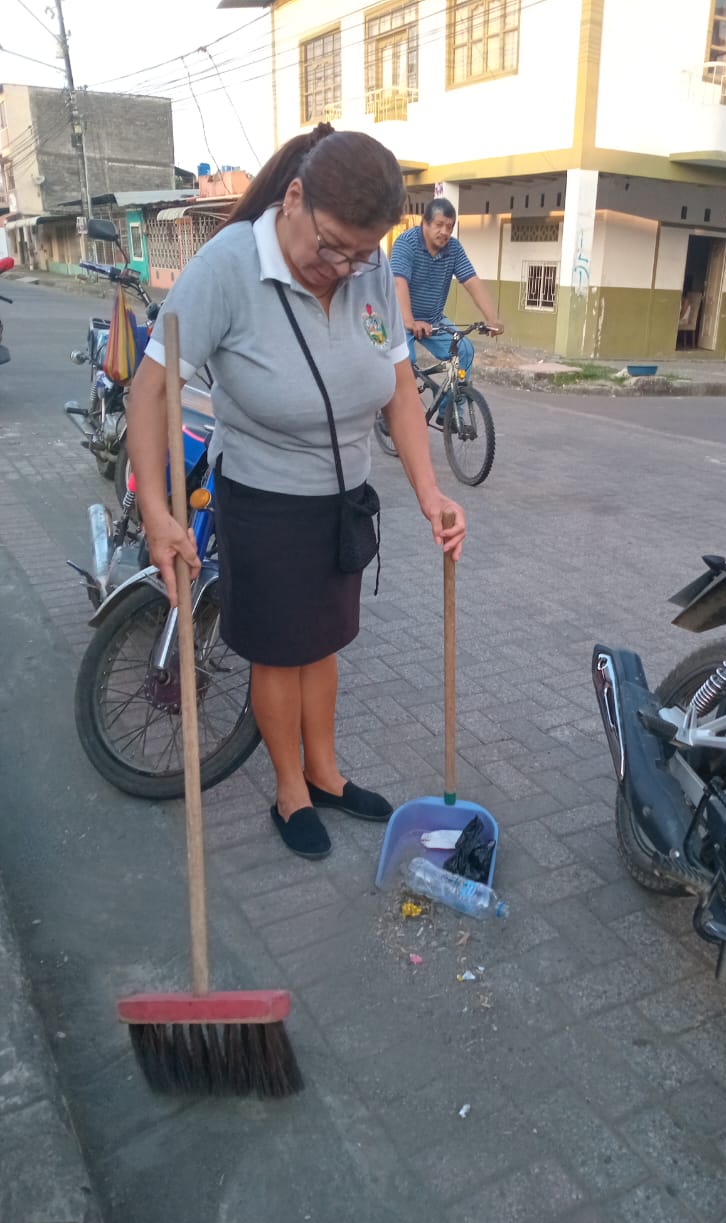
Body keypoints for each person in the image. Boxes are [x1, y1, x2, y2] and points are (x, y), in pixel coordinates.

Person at [125, 124, 466, 860]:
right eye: (333, 247)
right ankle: (290, 790)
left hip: (342, 500)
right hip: (265, 499)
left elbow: (400, 390)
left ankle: (325, 772)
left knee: (324, 643)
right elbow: (149, 391)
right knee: (281, 653)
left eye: (361, 254)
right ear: (295, 198)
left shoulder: (368, 268)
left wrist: (431, 490)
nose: (342, 268)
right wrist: (157, 512)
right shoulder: (227, 268)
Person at [389, 198, 503, 391]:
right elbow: (398, 283)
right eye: (439, 225)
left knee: (464, 350)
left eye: (449, 227)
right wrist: (409, 322)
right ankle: (400, 407)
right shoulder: (406, 243)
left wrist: (492, 318)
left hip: (433, 319)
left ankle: (452, 407)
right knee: (405, 360)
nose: (444, 232)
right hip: (400, 320)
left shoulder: (454, 248)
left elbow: (472, 281)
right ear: (425, 223)